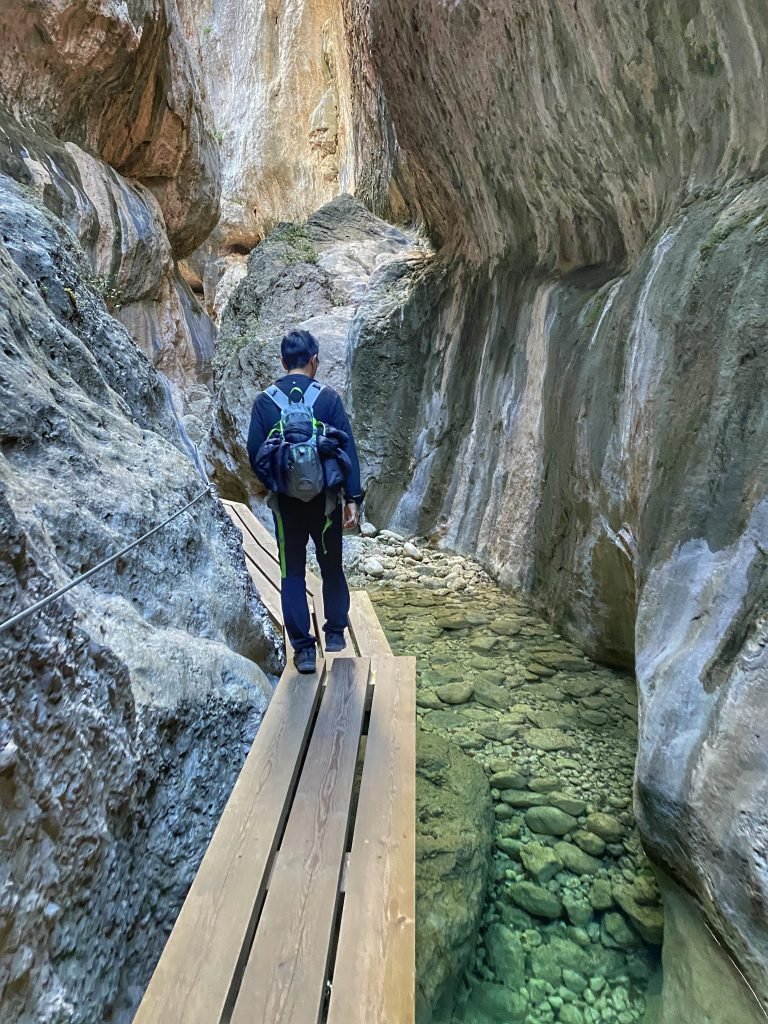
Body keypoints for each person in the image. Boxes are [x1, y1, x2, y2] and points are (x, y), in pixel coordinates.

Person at [246, 329, 363, 674]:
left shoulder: (265, 402)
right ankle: (336, 634)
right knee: (331, 567)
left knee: (292, 573)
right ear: (314, 360)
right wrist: (352, 498)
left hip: (287, 506)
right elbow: (347, 450)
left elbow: (256, 455)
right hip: (325, 503)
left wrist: (276, 484)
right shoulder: (328, 399)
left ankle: (304, 651)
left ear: (283, 362)